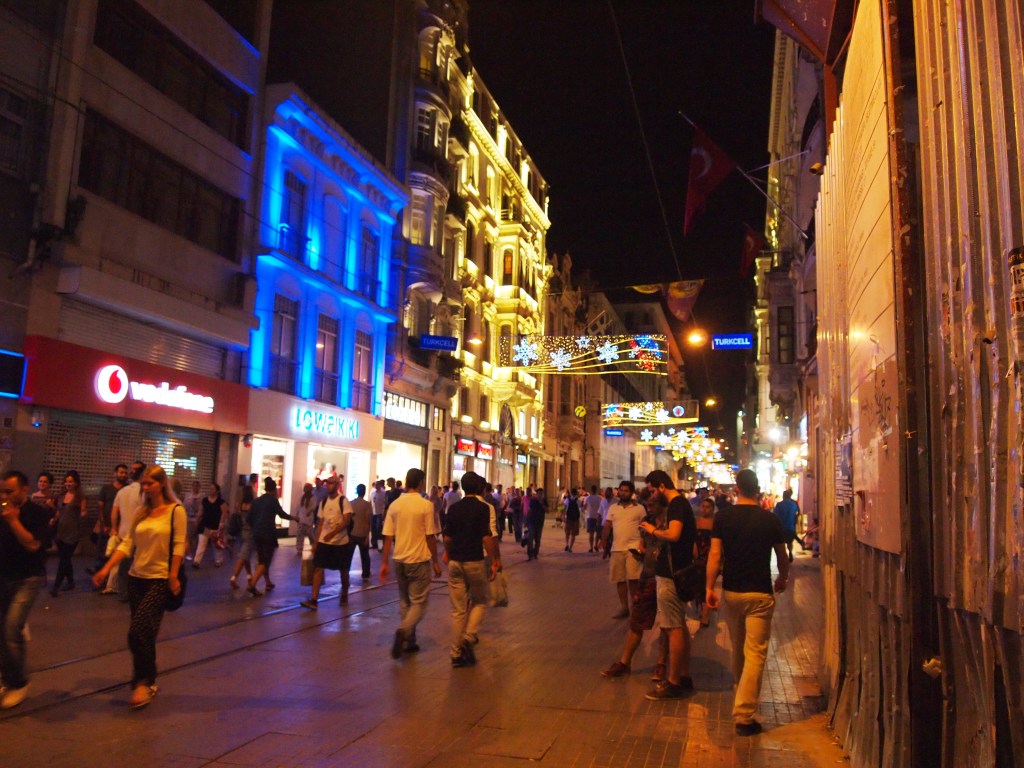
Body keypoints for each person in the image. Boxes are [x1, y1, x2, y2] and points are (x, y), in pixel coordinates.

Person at [92, 465, 186, 709]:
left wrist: (173, 575)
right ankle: (146, 682)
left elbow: (179, 545)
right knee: (145, 633)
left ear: (161, 485)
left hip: (159, 579)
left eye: (150, 483)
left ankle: (142, 681)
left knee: (137, 631)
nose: (145, 488)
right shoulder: (141, 512)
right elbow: (127, 544)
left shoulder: (176, 511)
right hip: (136, 578)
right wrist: (106, 568)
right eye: (143, 484)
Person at [705, 468, 789, 736]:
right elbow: (782, 555)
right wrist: (782, 578)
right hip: (760, 593)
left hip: (732, 592)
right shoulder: (770, 519)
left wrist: (709, 587)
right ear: (758, 490)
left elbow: (715, 555)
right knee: (755, 653)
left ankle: (740, 695)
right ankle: (744, 714)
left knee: (739, 649)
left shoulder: (723, 517)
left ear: (737, 489)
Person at [638, 469, 696, 700]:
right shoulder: (680, 504)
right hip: (676, 571)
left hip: (671, 574)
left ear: (662, 486)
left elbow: (674, 534)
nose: (652, 496)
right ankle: (684, 675)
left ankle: (673, 682)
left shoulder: (677, 504)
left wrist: (652, 530)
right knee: (679, 625)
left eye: (653, 490)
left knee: (673, 627)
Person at [601, 488, 668, 680]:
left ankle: (661, 663)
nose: (649, 508)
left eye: (652, 505)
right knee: (636, 621)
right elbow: (644, 545)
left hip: (665, 578)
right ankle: (624, 662)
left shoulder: (671, 524)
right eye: (647, 505)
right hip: (647, 577)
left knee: (666, 623)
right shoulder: (647, 521)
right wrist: (641, 553)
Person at [0, 470, 51, 709]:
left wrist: (13, 521)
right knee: (2, 631)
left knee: (12, 627)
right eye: (2, 491)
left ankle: (19, 683)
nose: (5, 496)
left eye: (9, 491)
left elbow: (33, 544)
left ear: (24, 489)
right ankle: (7, 678)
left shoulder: (37, 513)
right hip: (4, 576)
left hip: (28, 578)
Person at [379, 468, 441, 659]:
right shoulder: (426, 505)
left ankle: (409, 642)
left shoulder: (395, 505)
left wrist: (384, 563)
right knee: (419, 603)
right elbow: (430, 536)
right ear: (421, 482)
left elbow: (388, 537)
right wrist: (436, 561)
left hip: (399, 560)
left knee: (405, 602)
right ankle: (404, 631)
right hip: (419, 560)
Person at [442, 472, 501, 667]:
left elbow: (447, 537)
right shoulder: (483, 508)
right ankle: (468, 637)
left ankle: (455, 654)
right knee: (479, 601)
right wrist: (494, 561)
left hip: (455, 562)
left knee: (458, 611)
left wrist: (448, 554)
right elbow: (487, 537)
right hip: (474, 560)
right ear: (479, 488)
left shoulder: (454, 508)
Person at [300, 475, 353, 609]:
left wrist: (333, 533)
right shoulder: (324, 502)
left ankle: (344, 593)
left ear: (337, 485)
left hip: (340, 543)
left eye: (331, 483)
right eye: (327, 483)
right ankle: (314, 599)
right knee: (318, 568)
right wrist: (316, 542)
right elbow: (320, 523)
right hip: (324, 542)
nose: (328, 485)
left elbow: (346, 520)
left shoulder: (343, 501)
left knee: (343, 570)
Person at [601, 481, 645, 618]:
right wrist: (603, 542)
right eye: (621, 490)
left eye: (626, 491)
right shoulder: (613, 508)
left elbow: (644, 528)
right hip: (617, 548)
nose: (623, 493)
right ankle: (624, 608)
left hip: (633, 548)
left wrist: (643, 545)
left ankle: (635, 607)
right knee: (619, 579)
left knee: (633, 579)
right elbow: (607, 525)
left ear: (631, 493)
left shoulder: (639, 509)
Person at [106, 462, 146, 600]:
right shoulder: (144, 493)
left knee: (123, 564)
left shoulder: (122, 491)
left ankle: (122, 592)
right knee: (137, 564)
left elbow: (114, 513)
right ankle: (135, 592)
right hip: (139, 534)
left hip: (123, 532)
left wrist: (114, 528)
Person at [247, 477, 289, 595]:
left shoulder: (257, 501)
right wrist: (293, 518)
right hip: (268, 534)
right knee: (265, 561)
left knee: (262, 559)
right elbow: (281, 514)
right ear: (274, 489)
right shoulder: (273, 500)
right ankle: (252, 584)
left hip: (257, 534)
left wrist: (255, 527)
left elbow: (249, 518)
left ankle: (268, 582)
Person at [48, 471, 86, 597]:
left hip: (73, 532)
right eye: (66, 481)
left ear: (76, 483)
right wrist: (54, 518)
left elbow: (83, 511)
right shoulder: (61, 496)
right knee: (65, 558)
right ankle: (70, 582)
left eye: (71, 481)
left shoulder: (80, 497)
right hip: (60, 531)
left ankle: (56, 586)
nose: (68, 484)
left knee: (64, 559)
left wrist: (83, 514)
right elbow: (59, 512)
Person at [89, 463, 127, 576]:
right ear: (115, 473)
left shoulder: (127, 489)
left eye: (125, 473)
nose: (123, 475)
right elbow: (100, 507)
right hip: (106, 526)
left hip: (120, 527)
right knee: (103, 549)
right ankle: (99, 572)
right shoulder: (106, 488)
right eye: (121, 472)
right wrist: (103, 525)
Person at [193, 483, 227, 568]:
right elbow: (201, 511)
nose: (210, 490)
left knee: (216, 544)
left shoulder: (221, 502)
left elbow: (224, 513)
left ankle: (218, 560)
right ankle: (196, 561)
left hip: (215, 527)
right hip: (205, 526)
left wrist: (221, 524)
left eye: (212, 489)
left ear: (217, 491)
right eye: (210, 488)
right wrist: (197, 520)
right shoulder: (205, 500)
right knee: (202, 543)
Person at [694, 497, 716, 626]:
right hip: (698, 557)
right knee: (700, 584)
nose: (704, 509)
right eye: (703, 506)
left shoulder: (716, 523)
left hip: (711, 556)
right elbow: (692, 538)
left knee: (709, 584)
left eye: (708, 507)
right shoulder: (696, 522)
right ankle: (703, 610)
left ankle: (705, 615)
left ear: (712, 509)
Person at [229, 486, 255, 590]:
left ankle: (249, 576)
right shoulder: (252, 505)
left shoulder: (239, 505)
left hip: (240, 532)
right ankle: (234, 578)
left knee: (245, 556)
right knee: (243, 556)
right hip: (249, 533)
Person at [349, 484, 373, 579]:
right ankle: (365, 573)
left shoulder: (351, 503)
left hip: (352, 533)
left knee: (349, 555)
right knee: (365, 555)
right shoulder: (367, 505)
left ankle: (346, 572)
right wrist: (368, 535)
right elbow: (368, 521)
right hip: (363, 533)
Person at [773, 489, 800, 562]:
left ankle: (784, 556)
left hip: (781, 527)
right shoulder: (794, 504)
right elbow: (797, 513)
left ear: (784, 496)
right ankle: (790, 552)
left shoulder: (779, 505)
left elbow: (775, 515)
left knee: (781, 543)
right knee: (790, 542)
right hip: (791, 527)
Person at [293, 483, 318, 556]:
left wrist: (309, 511)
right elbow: (299, 507)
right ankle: (299, 549)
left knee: (310, 534)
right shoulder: (302, 497)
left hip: (308, 519)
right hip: (301, 518)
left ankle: (314, 546)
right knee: (299, 535)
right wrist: (297, 515)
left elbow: (314, 507)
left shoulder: (313, 497)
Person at [524, 487, 546, 560]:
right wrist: (526, 520)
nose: (540, 495)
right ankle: (530, 554)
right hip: (532, 522)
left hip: (540, 523)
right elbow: (529, 510)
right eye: (539, 493)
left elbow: (547, 510)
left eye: (541, 494)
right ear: (536, 494)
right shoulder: (533, 501)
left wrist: (542, 504)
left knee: (537, 539)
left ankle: (535, 553)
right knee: (530, 538)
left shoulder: (544, 501)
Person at [584, 485, 603, 552]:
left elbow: (584, 507)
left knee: (591, 534)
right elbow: (602, 507)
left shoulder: (587, 498)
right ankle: (596, 545)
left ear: (591, 490)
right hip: (598, 516)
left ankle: (591, 547)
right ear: (596, 490)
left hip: (590, 516)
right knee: (598, 533)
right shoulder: (599, 498)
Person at [370, 480, 387, 550]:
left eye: (377, 485)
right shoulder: (373, 493)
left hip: (380, 513)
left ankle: (381, 545)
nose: (376, 486)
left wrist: (384, 513)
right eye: (375, 485)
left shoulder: (383, 493)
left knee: (379, 529)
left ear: (380, 485)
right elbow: (371, 502)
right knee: (373, 528)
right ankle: (374, 544)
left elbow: (385, 503)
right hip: (373, 512)